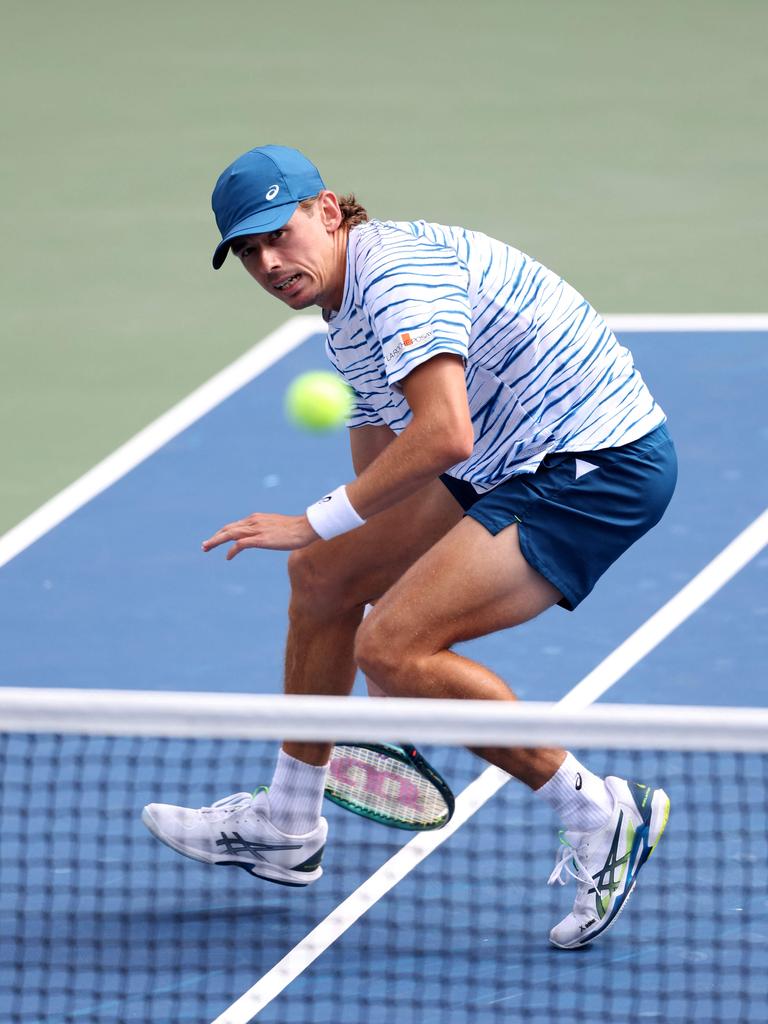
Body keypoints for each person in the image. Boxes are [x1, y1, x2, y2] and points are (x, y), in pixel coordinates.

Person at [142, 145, 677, 949]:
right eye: (248, 252)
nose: (269, 263)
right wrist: (349, 551)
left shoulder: (396, 281)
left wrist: (315, 524)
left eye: (278, 235)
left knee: (391, 644)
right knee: (324, 578)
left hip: (594, 462)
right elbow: (384, 468)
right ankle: (288, 825)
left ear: (328, 210)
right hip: (506, 455)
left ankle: (601, 812)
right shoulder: (342, 311)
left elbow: (443, 433)